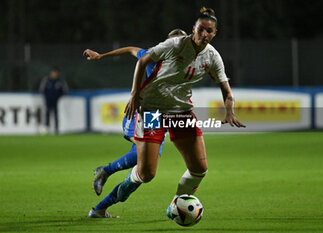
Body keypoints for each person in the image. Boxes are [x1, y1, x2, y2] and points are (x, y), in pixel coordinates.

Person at [88, 7, 245, 218]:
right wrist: (134, 94)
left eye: (209, 31)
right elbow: (140, 58)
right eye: (200, 29)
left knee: (200, 169)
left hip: (181, 112)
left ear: (214, 33)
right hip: (152, 110)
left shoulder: (212, 57)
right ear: (194, 29)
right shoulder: (173, 45)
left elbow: (226, 90)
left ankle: (176, 206)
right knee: (146, 173)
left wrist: (230, 111)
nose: (204, 34)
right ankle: (100, 207)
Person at [83, 29, 188, 198]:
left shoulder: (184, 65)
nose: (177, 46)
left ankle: (102, 198)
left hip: (157, 117)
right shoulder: (153, 57)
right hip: (140, 113)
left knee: (145, 162)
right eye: (174, 42)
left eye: (181, 42)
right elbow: (132, 49)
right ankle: (105, 173)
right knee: (141, 155)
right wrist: (101, 56)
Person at [39, 66, 68, 134]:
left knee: (56, 115)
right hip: (48, 100)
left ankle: (56, 129)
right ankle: (46, 128)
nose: (54, 74)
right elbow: (42, 89)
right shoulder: (46, 80)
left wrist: (59, 96)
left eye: (55, 73)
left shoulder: (60, 81)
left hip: (56, 101)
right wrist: (46, 97)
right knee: (47, 114)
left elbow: (65, 90)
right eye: (53, 72)